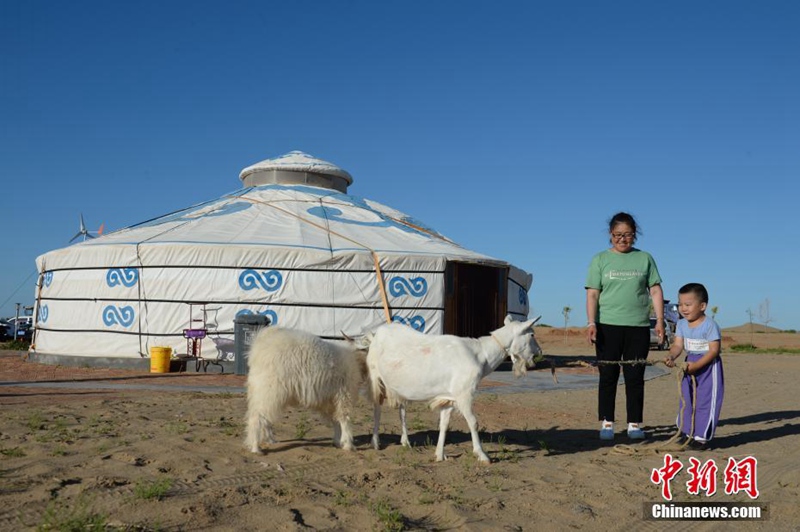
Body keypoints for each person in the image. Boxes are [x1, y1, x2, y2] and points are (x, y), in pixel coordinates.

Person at [585, 212, 665, 441]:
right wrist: (591, 322)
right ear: (611, 234)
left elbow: (655, 290)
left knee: (635, 375)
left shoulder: (645, 258)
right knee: (608, 375)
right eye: (617, 235)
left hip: (637, 327)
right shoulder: (600, 259)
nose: (622, 239)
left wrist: (660, 320)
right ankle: (607, 423)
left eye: (627, 234)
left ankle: (634, 424)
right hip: (607, 326)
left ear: (635, 235)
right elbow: (593, 294)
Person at [664, 283, 724, 450]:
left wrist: (697, 365)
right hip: (688, 364)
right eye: (680, 304)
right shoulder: (681, 324)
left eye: (688, 304)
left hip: (708, 366)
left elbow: (714, 350)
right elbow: (678, 345)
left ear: (702, 306)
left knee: (705, 401)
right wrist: (671, 356)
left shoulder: (710, 325)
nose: (683, 308)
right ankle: (686, 433)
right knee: (686, 399)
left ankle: (701, 438)